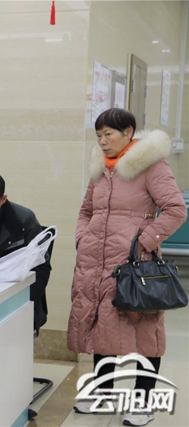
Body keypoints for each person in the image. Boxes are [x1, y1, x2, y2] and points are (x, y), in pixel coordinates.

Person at [67, 108, 186, 426]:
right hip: (96, 264)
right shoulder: (100, 168)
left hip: (135, 266)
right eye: (98, 135)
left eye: (108, 134)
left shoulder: (151, 165)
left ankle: (143, 402)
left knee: (145, 333)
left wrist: (144, 242)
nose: (102, 141)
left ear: (128, 132)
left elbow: (175, 210)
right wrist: (83, 238)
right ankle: (103, 394)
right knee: (101, 327)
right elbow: (86, 210)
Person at [0, 171, 52, 334]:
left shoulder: (23, 220)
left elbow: (41, 268)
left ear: (3, 199)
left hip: (12, 296)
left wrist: (23, 302)